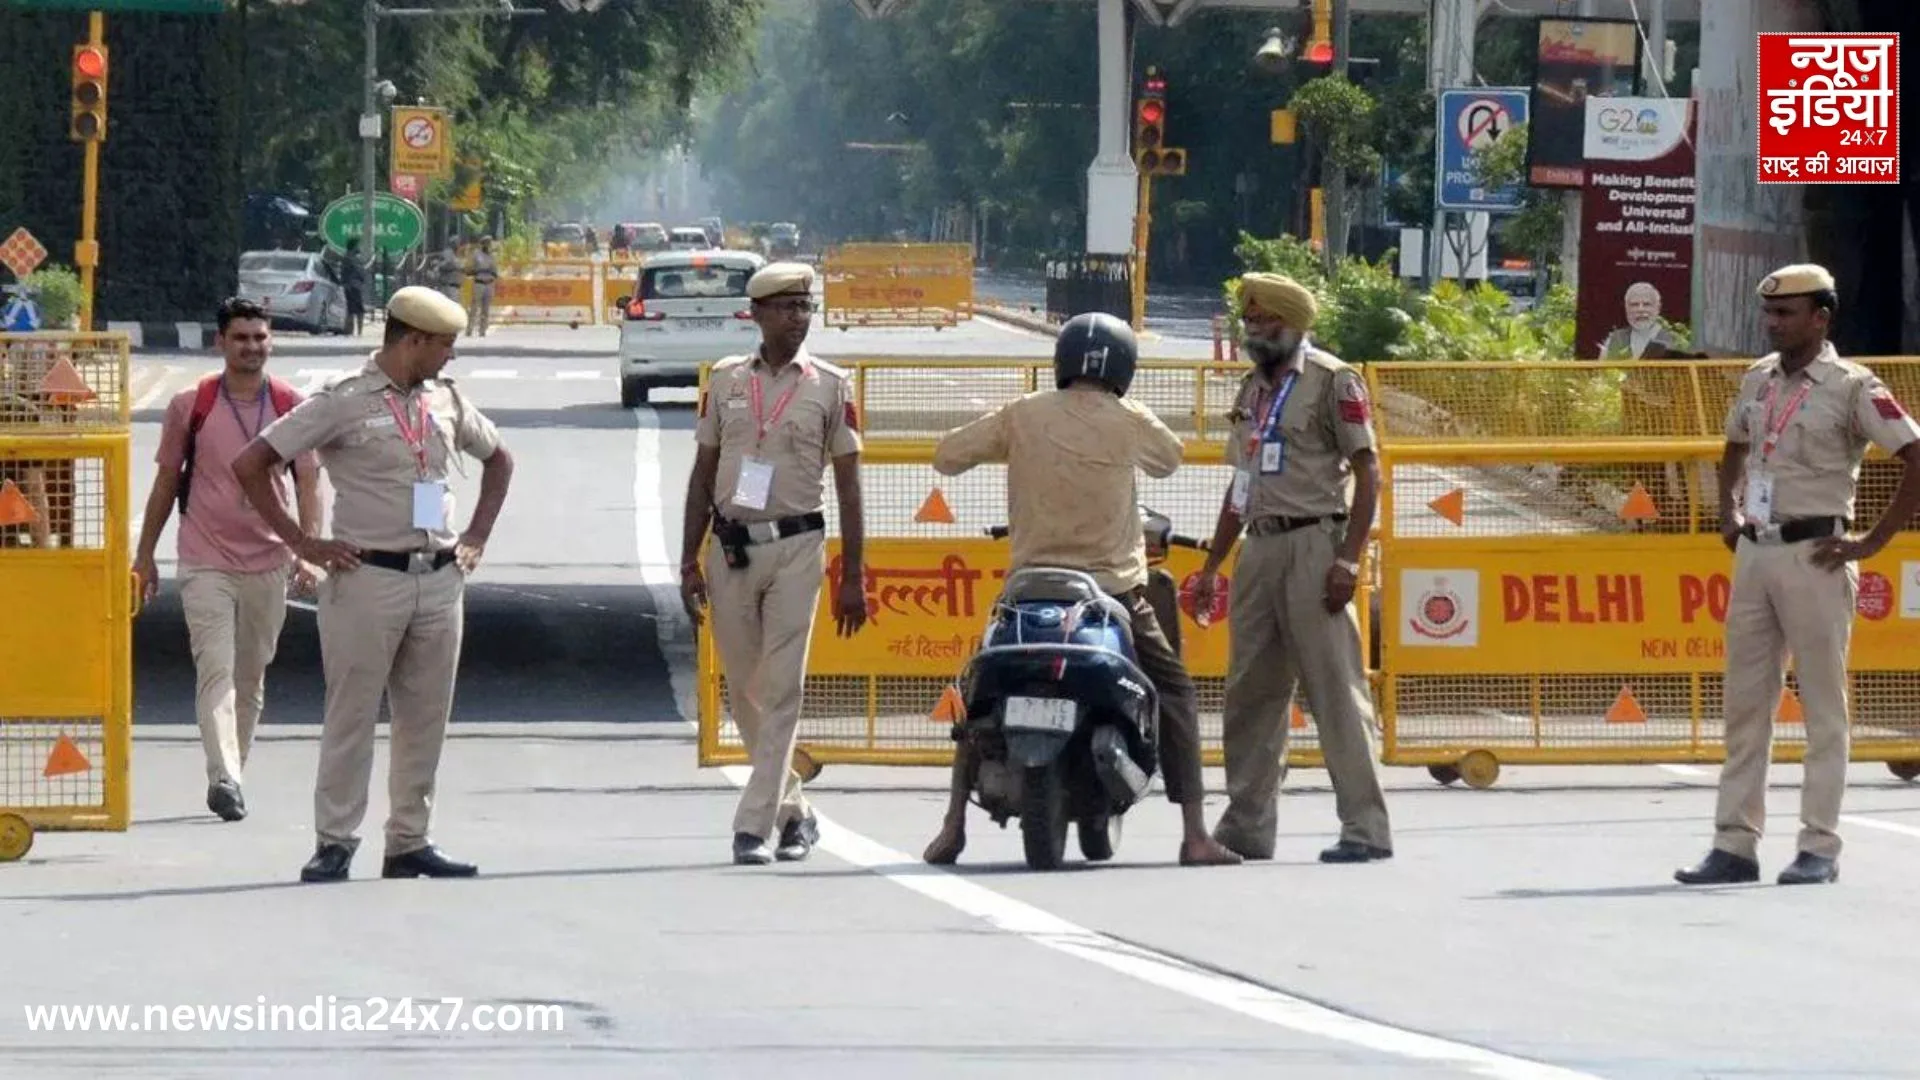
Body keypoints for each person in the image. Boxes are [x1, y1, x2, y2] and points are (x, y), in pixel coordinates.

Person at [920, 312, 1243, 868]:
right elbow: (1170, 460)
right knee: (1174, 692)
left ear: (1061, 362)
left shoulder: (1022, 414)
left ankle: (952, 827)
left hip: (1028, 592)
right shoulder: (1128, 417)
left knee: (974, 692)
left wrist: (1016, 443)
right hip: (1114, 595)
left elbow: (946, 457)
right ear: (1125, 370)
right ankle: (1194, 834)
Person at [229, 286, 515, 883]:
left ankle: (409, 839)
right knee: (352, 713)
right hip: (366, 578)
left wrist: (477, 537)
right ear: (412, 341)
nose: (450, 358)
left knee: (426, 716)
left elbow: (500, 460)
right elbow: (253, 463)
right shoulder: (341, 401)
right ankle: (335, 838)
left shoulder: (445, 400)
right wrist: (302, 542)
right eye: (443, 346)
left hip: (438, 575)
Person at [1675, 263, 1920, 887]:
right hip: (1756, 552)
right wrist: (1727, 512)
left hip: (1819, 553)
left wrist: (1874, 540)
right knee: (1746, 703)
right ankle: (1734, 844)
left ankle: (1819, 845)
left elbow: (1914, 454)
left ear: (1822, 317)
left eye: (1787, 313)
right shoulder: (1757, 379)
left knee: (1822, 706)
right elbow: (1733, 446)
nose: (1774, 323)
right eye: (1770, 313)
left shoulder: (1852, 386)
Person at [1190, 272, 1394, 864]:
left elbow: (1368, 471)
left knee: (1334, 691)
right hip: (1260, 546)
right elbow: (1241, 483)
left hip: (1315, 545)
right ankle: (1247, 827)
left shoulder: (1333, 381)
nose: (1256, 331)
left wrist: (1348, 559)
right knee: (1250, 691)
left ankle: (1365, 828)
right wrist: (1212, 564)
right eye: (1250, 323)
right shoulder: (1251, 390)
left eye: (1266, 322)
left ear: (1295, 324)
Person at [679, 261, 868, 867]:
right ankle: (795, 813)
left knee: (783, 688)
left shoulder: (832, 385)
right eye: (786, 307)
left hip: (798, 547)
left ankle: (751, 827)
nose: (798, 318)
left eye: (805, 307)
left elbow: (850, 486)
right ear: (756, 314)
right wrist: (688, 559)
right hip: (731, 548)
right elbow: (703, 474)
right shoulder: (728, 382)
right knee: (746, 691)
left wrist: (854, 576)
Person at [133, 297, 322, 821]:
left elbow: (309, 482)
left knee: (251, 675)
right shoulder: (191, 404)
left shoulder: (292, 404)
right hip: (204, 556)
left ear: (271, 341)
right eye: (241, 338)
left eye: (260, 337)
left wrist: (308, 549)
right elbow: (167, 481)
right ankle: (226, 778)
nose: (252, 346)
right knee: (214, 670)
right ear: (221, 343)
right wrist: (144, 556)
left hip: (269, 558)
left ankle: (232, 769)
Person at [465, 237, 497, 337]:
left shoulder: (492, 256)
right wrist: (478, 270)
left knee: (486, 309)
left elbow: (495, 271)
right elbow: (469, 269)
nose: (488, 245)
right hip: (479, 283)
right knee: (474, 307)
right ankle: (469, 329)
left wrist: (492, 273)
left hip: (489, 283)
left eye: (489, 244)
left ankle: (482, 330)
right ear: (482, 244)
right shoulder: (476, 255)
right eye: (486, 243)